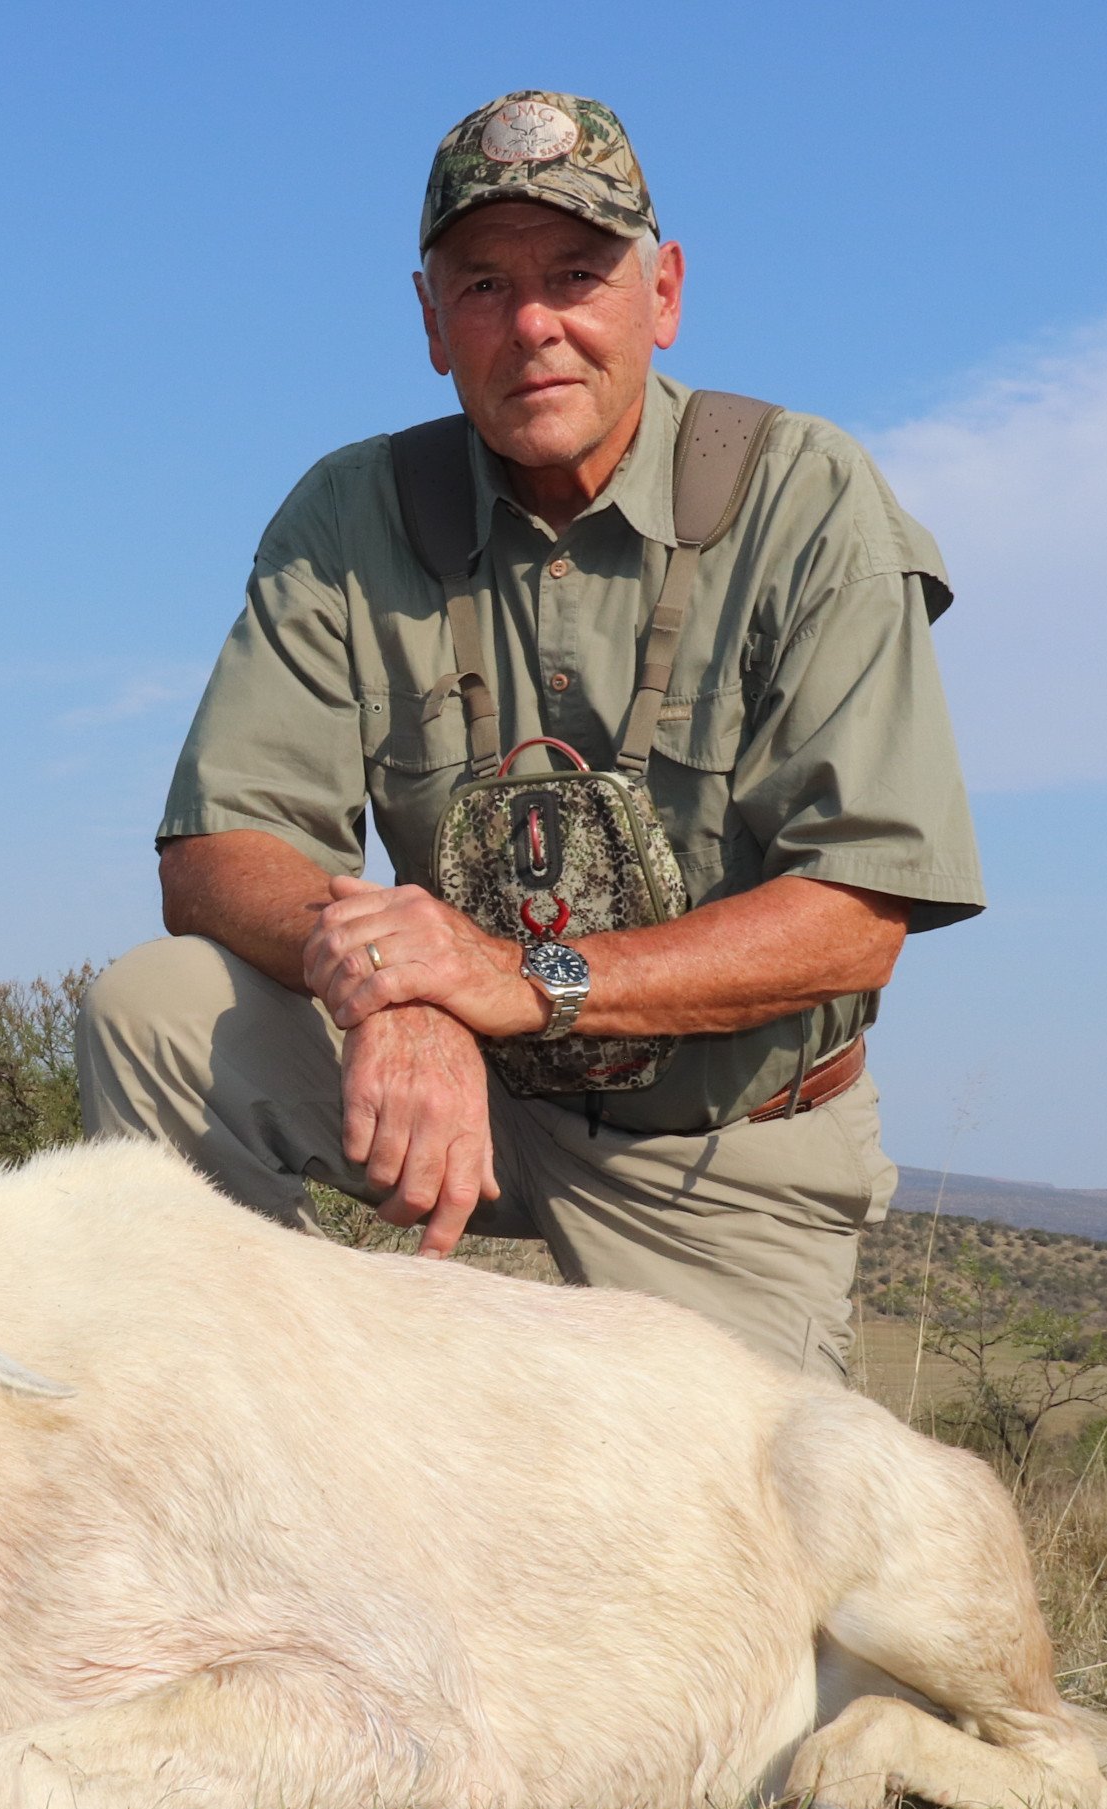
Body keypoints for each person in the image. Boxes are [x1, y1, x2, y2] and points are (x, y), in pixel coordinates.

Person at [77, 90, 983, 1378]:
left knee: (720, 1550)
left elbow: (858, 915)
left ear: (661, 295)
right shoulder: (351, 511)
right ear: (432, 321)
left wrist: (515, 977)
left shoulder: (806, 495)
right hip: (465, 1089)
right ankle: (235, 1440)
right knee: (153, 1011)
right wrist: (399, 988)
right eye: (486, 283)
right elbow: (219, 850)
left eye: (578, 274)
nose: (535, 325)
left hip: (716, 1144)